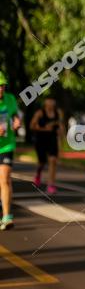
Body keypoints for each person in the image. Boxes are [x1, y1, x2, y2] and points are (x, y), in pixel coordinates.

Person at [0, 71, 23, 231]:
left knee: (5, 178)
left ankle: (7, 216)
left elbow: (15, 115)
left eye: (2, 86)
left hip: (7, 145)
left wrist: (16, 122)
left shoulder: (10, 99)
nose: (1, 89)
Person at [30, 98, 63, 195]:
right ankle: (38, 174)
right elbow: (32, 126)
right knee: (42, 162)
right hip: (41, 140)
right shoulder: (40, 113)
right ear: (45, 104)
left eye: (52, 103)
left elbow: (60, 124)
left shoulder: (58, 112)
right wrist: (44, 128)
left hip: (52, 139)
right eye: (49, 103)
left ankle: (51, 185)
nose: (51, 105)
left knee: (53, 160)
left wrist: (60, 131)